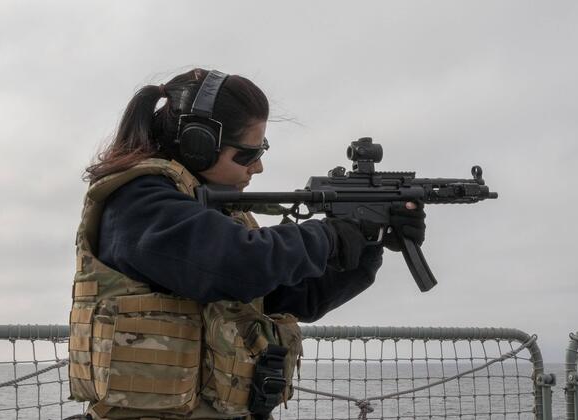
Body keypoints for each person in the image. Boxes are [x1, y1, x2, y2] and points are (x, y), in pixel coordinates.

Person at [68, 68, 425, 419]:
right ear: (198, 145)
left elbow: (298, 296)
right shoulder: (138, 202)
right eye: (248, 154)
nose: (257, 168)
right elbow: (235, 263)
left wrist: (367, 241)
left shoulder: (213, 214)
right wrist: (329, 236)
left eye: (262, 151)